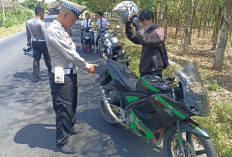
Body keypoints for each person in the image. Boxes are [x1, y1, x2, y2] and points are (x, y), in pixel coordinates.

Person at [45, 1, 96, 154]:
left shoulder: (63, 29)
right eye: (73, 19)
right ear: (65, 14)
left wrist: (75, 72)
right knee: (63, 109)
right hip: (61, 78)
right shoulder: (55, 30)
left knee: (72, 104)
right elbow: (70, 54)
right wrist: (87, 65)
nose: (74, 23)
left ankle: (70, 127)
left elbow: (69, 56)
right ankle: (61, 142)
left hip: (70, 74)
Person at [125, 10, 168, 77]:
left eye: (143, 22)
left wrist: (138, 29)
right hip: (145, 68)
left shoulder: (158, 31)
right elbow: (135, 38)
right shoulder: (147, 30)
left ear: (150, 20)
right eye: (140, 22)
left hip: (154, 70)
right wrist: (128, 26)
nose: (141, 24)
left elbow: (146, 40)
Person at [26, 7, 52, 82]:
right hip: (43, 43)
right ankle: (50, 73)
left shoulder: (28, 22)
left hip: (34, 43)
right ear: (41, 13)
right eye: (43, 14)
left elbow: (28, 33)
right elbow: (45, 34)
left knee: (36, 59)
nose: (44, 15)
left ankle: (36, 76)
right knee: (47, 59)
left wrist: (28, 41)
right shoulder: (41, 23)